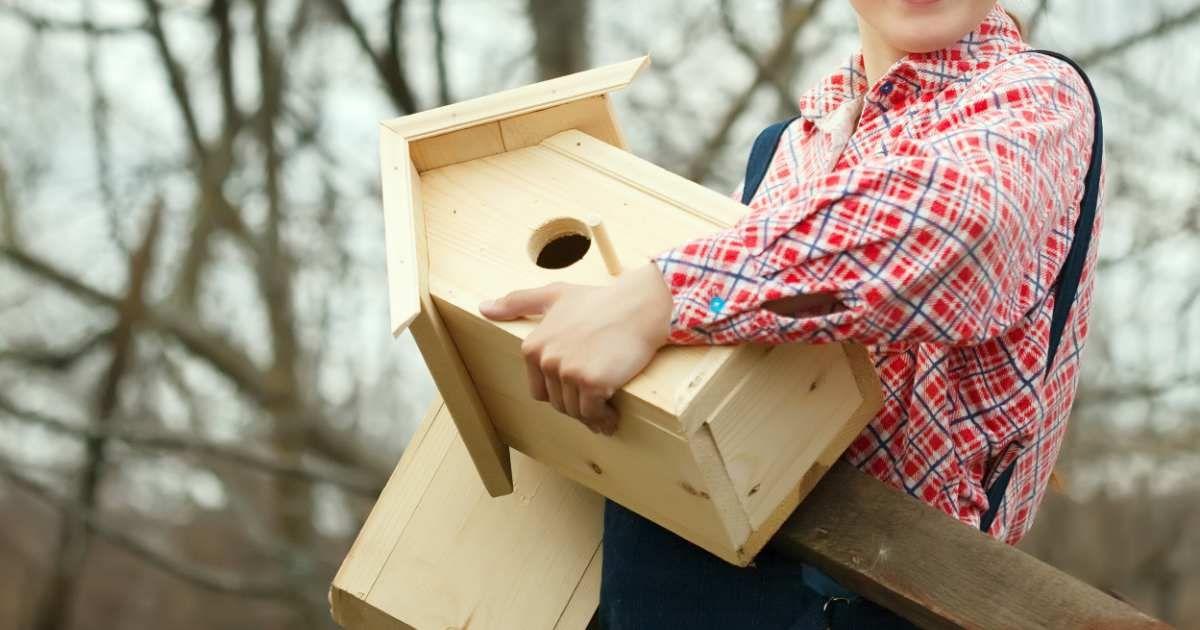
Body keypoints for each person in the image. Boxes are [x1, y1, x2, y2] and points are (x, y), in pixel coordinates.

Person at [479, 1, 1102, 628]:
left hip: (876, 595)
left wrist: (662, 298)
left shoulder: (1035, 96)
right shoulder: (783, 149)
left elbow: (961, 223)